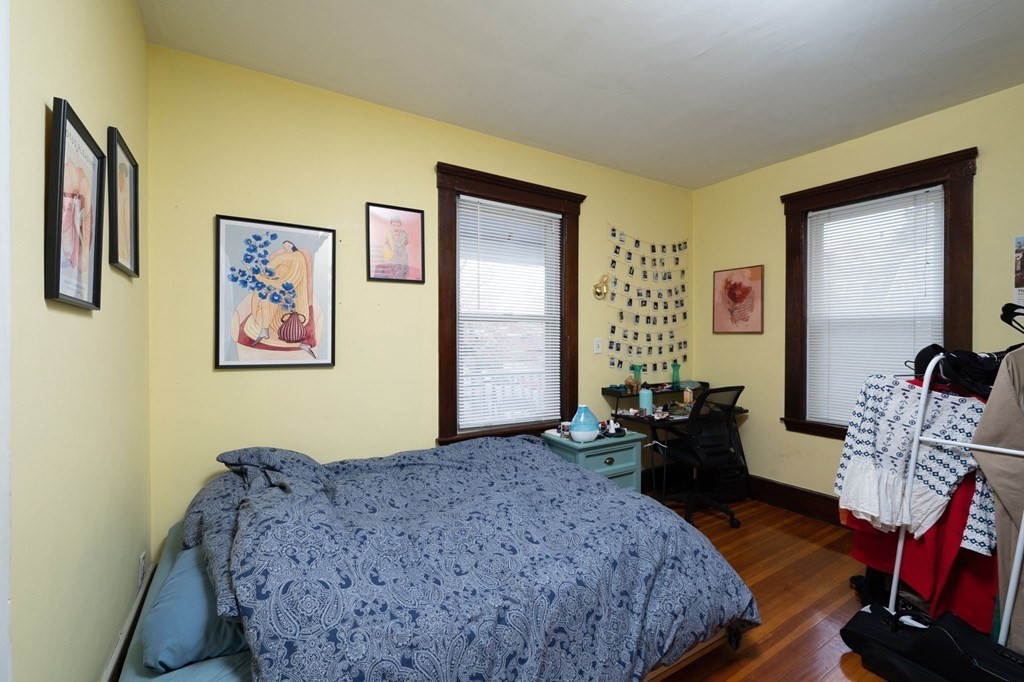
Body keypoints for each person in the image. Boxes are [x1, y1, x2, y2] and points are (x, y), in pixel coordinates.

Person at [242, 240, 316, 357]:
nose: (285, 247)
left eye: (287, 245)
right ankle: (265, 329)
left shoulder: (298, 257)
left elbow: (294, 277)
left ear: (292, 245)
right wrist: (263, 277)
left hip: (289, 292)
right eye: (284, 246)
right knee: (267, 300)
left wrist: (269, 281)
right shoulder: (283, 256)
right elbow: (269, 268)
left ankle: (267, 331)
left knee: (273, 302)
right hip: (276, 287)